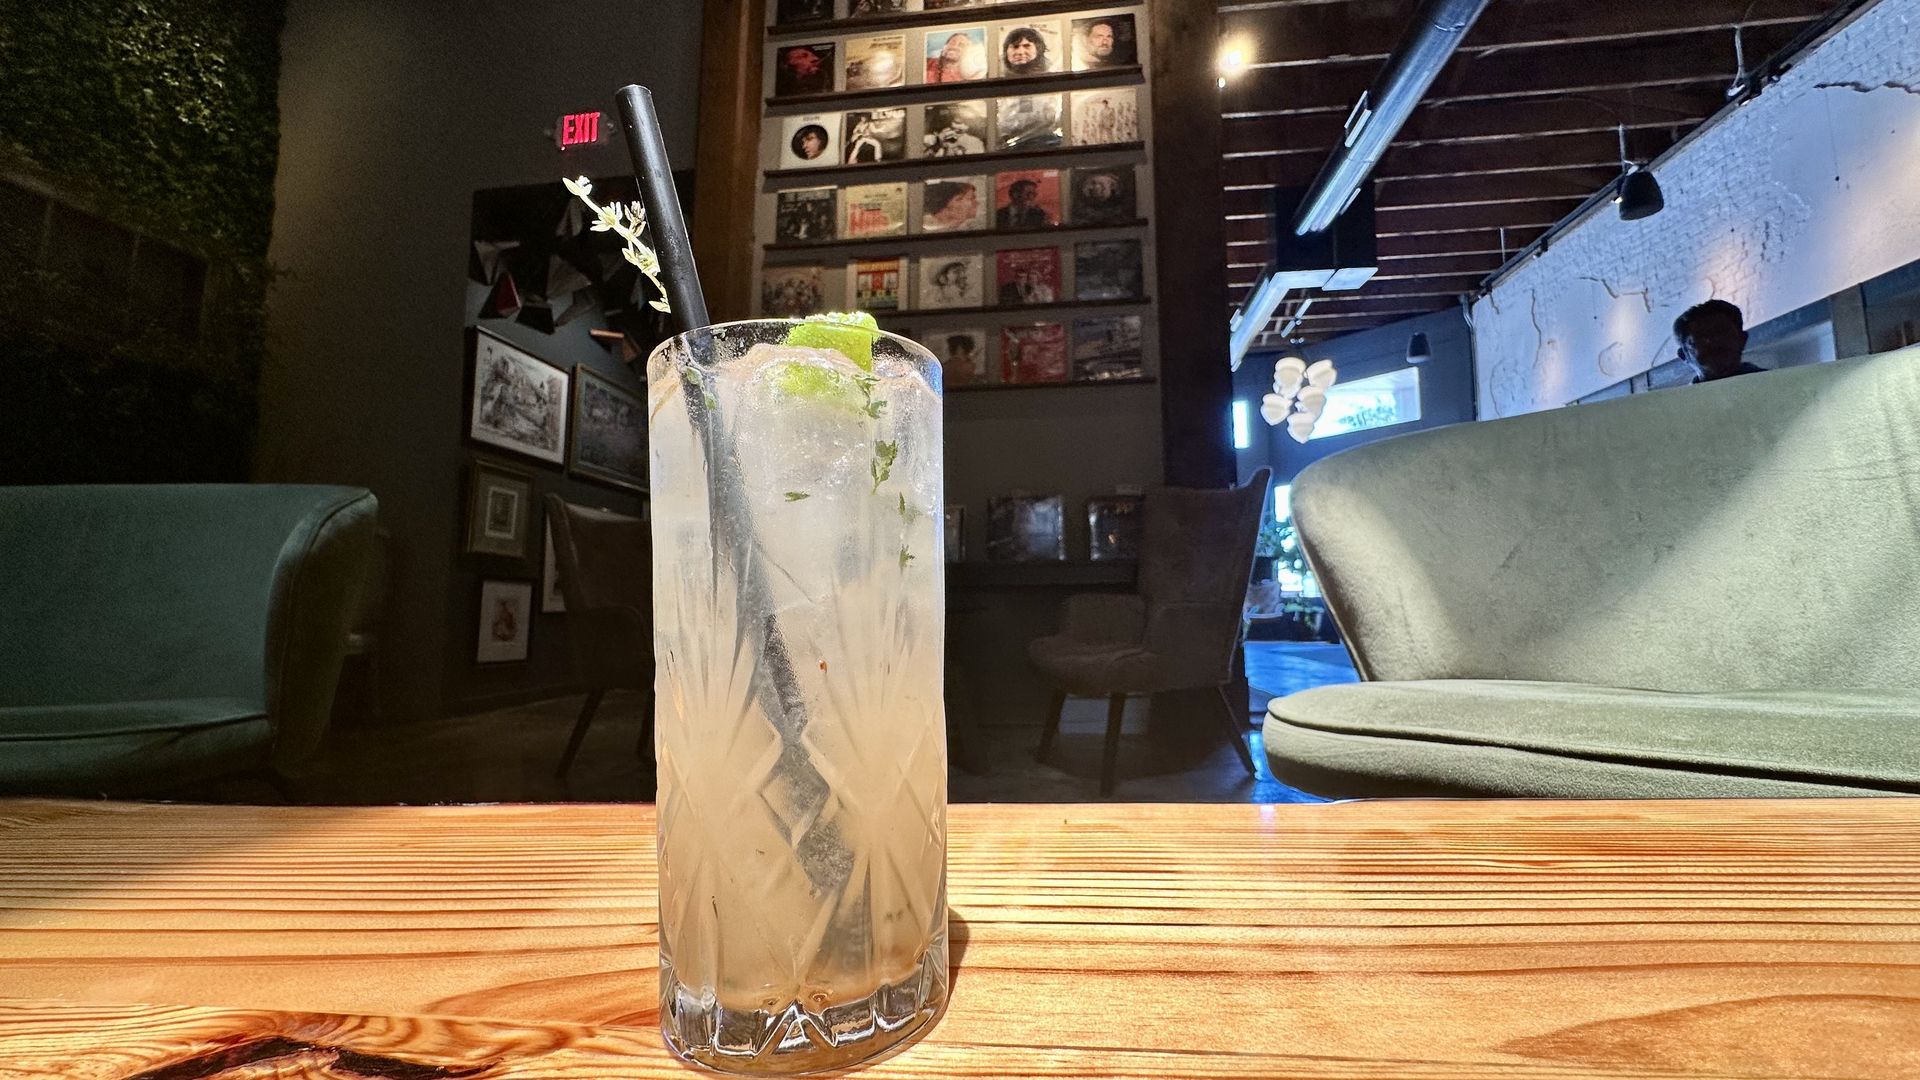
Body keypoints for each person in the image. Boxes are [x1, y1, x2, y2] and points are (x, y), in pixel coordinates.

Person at [1676, 299, 1764, 383]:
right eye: (1701, 337)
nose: (1713, 341)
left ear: (1742, 340)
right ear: (1684, 355)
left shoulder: (1775, 383)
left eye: (1722, 332)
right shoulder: (1680, 398)